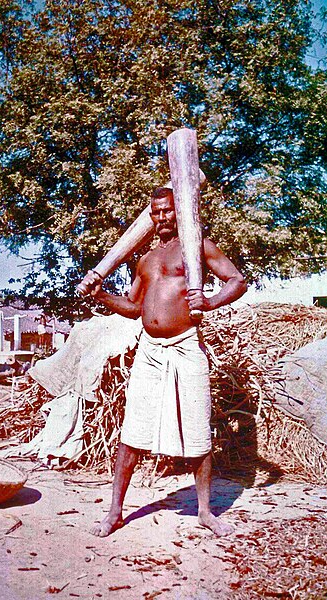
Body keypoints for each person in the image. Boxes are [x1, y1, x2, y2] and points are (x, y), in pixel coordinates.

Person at [79, 186, 247, 537]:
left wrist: (211, 301)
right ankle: (114, 512)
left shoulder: (198, 247)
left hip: (186, 347)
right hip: (150, 352)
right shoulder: (146, 259)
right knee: (132, 431)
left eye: (167, 211)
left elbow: (237, 281)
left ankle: (204, 511)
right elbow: (133, 308)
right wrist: (101, 294)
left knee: (198, 430)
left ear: (180, 211)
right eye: (155, 213)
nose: (161, 218)